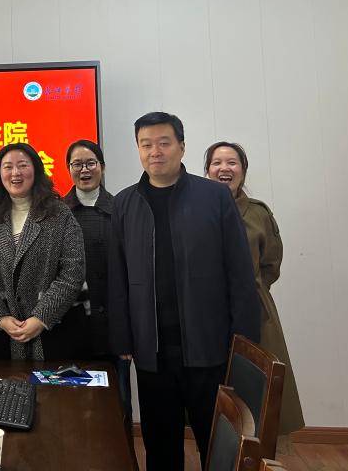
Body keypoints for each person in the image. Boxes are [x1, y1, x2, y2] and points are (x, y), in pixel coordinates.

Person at [109, 112, 260, 471]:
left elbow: (240, 274)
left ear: (182, 147)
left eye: (164, 143)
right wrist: (123, 338)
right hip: (152, 350)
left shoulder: (214, 197)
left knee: (218, 443)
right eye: (146, 144)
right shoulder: (125, 203)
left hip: (209, 346)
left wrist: (243, 343)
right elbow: (118, 276)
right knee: (160, 444)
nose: (155, 151)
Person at [205, 141, 305, 447]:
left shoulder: (258, 213)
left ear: (243, 170)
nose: (224, 168)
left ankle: (257, 455)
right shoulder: (195, 211)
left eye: (232, 162)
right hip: (207, 313)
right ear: (207, 171)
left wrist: (248, 292)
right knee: (212, 393)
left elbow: (271, 265)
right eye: (217, 163)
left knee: (257, 389)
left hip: (255, 314)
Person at [0, 142, 85, 360]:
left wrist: (41, 317)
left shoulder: (59, 213)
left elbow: (72, 272)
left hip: (52, 331)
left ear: (36, 169)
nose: (15, 173)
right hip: (3, 336)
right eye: (8, 167)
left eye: (22, 165)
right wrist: (0, 318)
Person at [62, 139, 132, 424]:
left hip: (113, 327)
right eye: (77, 164)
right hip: (72, 326)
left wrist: (127, 333)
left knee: (116, 406)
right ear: (68, 169)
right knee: (72, 409)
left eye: (90, 163)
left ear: (102, 167)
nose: (84, 170)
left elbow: (132, 276)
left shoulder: (121, 209)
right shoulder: (58, 212)